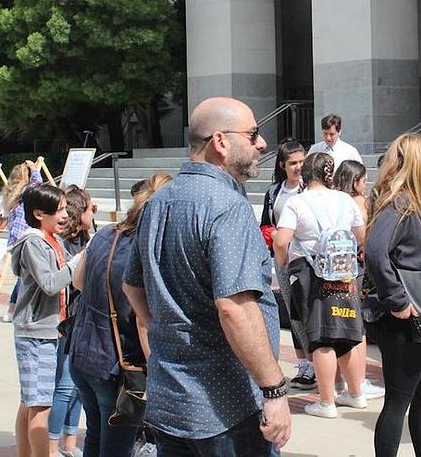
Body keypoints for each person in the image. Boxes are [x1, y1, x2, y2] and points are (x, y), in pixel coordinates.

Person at [122, 97, 291, 455]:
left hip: (173, 401)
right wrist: (274, 390)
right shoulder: (227, 207)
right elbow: (234, 308)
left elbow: (131, 284)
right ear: (220, 141)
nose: (262, 144)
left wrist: (172, 331)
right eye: (253, 134)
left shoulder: (158, 201)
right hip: (226, 409)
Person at [70, 173, 172, 457]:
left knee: (95, 434)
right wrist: (158, 374)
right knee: (116, 446)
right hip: (117, 365)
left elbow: (78, 282)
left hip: (82, 353)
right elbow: (143, 322)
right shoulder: (146, 249)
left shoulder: (105, 234)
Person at [273, 152, 368, 418]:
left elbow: (281, 241)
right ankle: (356, 393)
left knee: (321, 337)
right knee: (347, 333)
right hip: (344, 274)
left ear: (305, 173)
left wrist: (283, 263)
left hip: (311, 275)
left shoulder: (297, 203)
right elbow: (360, 235)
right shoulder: (344, 200)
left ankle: (326, 402)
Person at [362, 132, 421, 457]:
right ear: (418, 164)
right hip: (403, 318)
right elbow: (376, 252)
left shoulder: (407, 203)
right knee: (400, 398)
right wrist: (398, 301)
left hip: (419, 313)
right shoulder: (400, 204)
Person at [11, 184, 83, 457]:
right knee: (41, 406)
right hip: (35, 332)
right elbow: (50, 284)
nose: (65, 215)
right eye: (60, 209)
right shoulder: (33, 243)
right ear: (39, 213)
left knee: (29, 402)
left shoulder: (53, 240)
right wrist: (78, 263)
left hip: (49, 330)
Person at [260, 139, 315, 390]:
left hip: (309, 260)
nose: (298, 167)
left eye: (302, 162)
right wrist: (272, 237)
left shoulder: (311, 190)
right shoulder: (274, 193)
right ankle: (305, 365)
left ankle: (318, 363)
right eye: (292, 163)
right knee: (293, 311)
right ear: (282, 165)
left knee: (311, 310)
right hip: (283, 259)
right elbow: (265, 224)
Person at [333, 159, 386, 401]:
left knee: (339, 324)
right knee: (358, 326)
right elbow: (365, 235)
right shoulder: (358, 203)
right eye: (364, 180)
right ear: (355, 181)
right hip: (358, 267)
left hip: (338, 268)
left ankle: (339, 379)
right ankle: (360, 379)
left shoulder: (335, 201)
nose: (366, 185)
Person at [48, 186, 94, 457]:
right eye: (89, 208)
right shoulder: (64, 246)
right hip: (69, 321)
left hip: (84, 319)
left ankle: (68, 441)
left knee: (77, 386)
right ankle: (51, 447)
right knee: (65, 385)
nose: (93, 212)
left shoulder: (89, 238)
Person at [3, 160, 43, 322]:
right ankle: (16, 310)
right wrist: (34, 168)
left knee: (23, 276)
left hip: (14, 239)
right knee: (25, 277)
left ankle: (12, 309)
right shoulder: (25, 193)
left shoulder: (11, 193)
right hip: (24, 238)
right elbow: (38, 183)